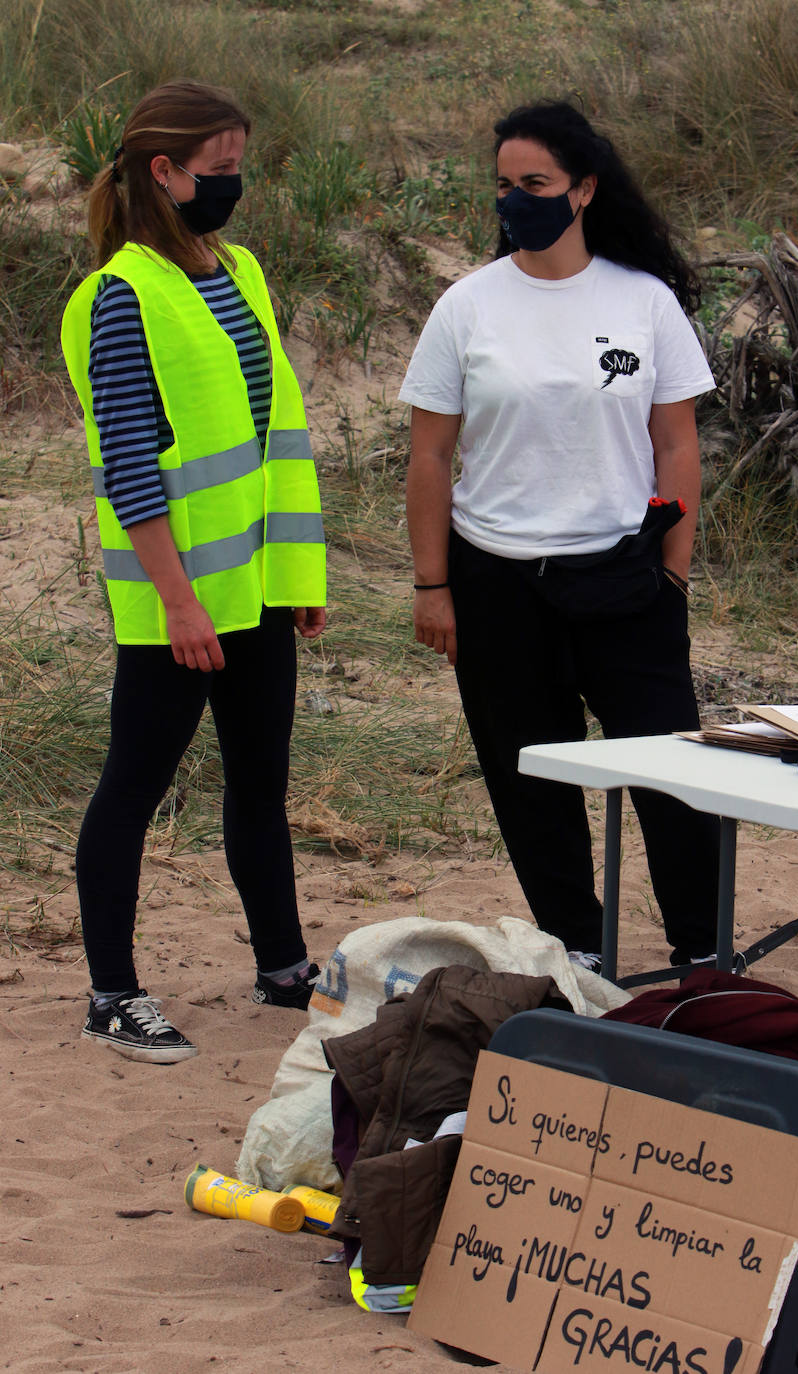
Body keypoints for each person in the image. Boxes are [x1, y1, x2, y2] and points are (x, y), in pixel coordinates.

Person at [399, 100, 720, 976]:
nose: (514, 200)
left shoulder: (642, 299)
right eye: (503, 185)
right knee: (530, 781)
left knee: (676, 777)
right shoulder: (467, 306)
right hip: (498, 580)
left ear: (581, 190)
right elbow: (430, 454)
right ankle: (576, 948)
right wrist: (434, 586)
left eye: (533, 184)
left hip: (626, 577)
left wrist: (673, 571)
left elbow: (677, 442)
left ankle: (703, 951)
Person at [61, 79, 327, 1062]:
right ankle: (112, 996)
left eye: (238, 168)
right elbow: (130, 464)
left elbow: (264, 440)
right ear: (162, 173)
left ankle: (285, 967)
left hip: (254, 591)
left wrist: (296, 574)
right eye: (217, 172)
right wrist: (177, 602)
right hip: (177, 603)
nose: (233, 185)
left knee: (261, 782)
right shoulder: (118, 296)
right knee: (133, 786)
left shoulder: (240, 272)